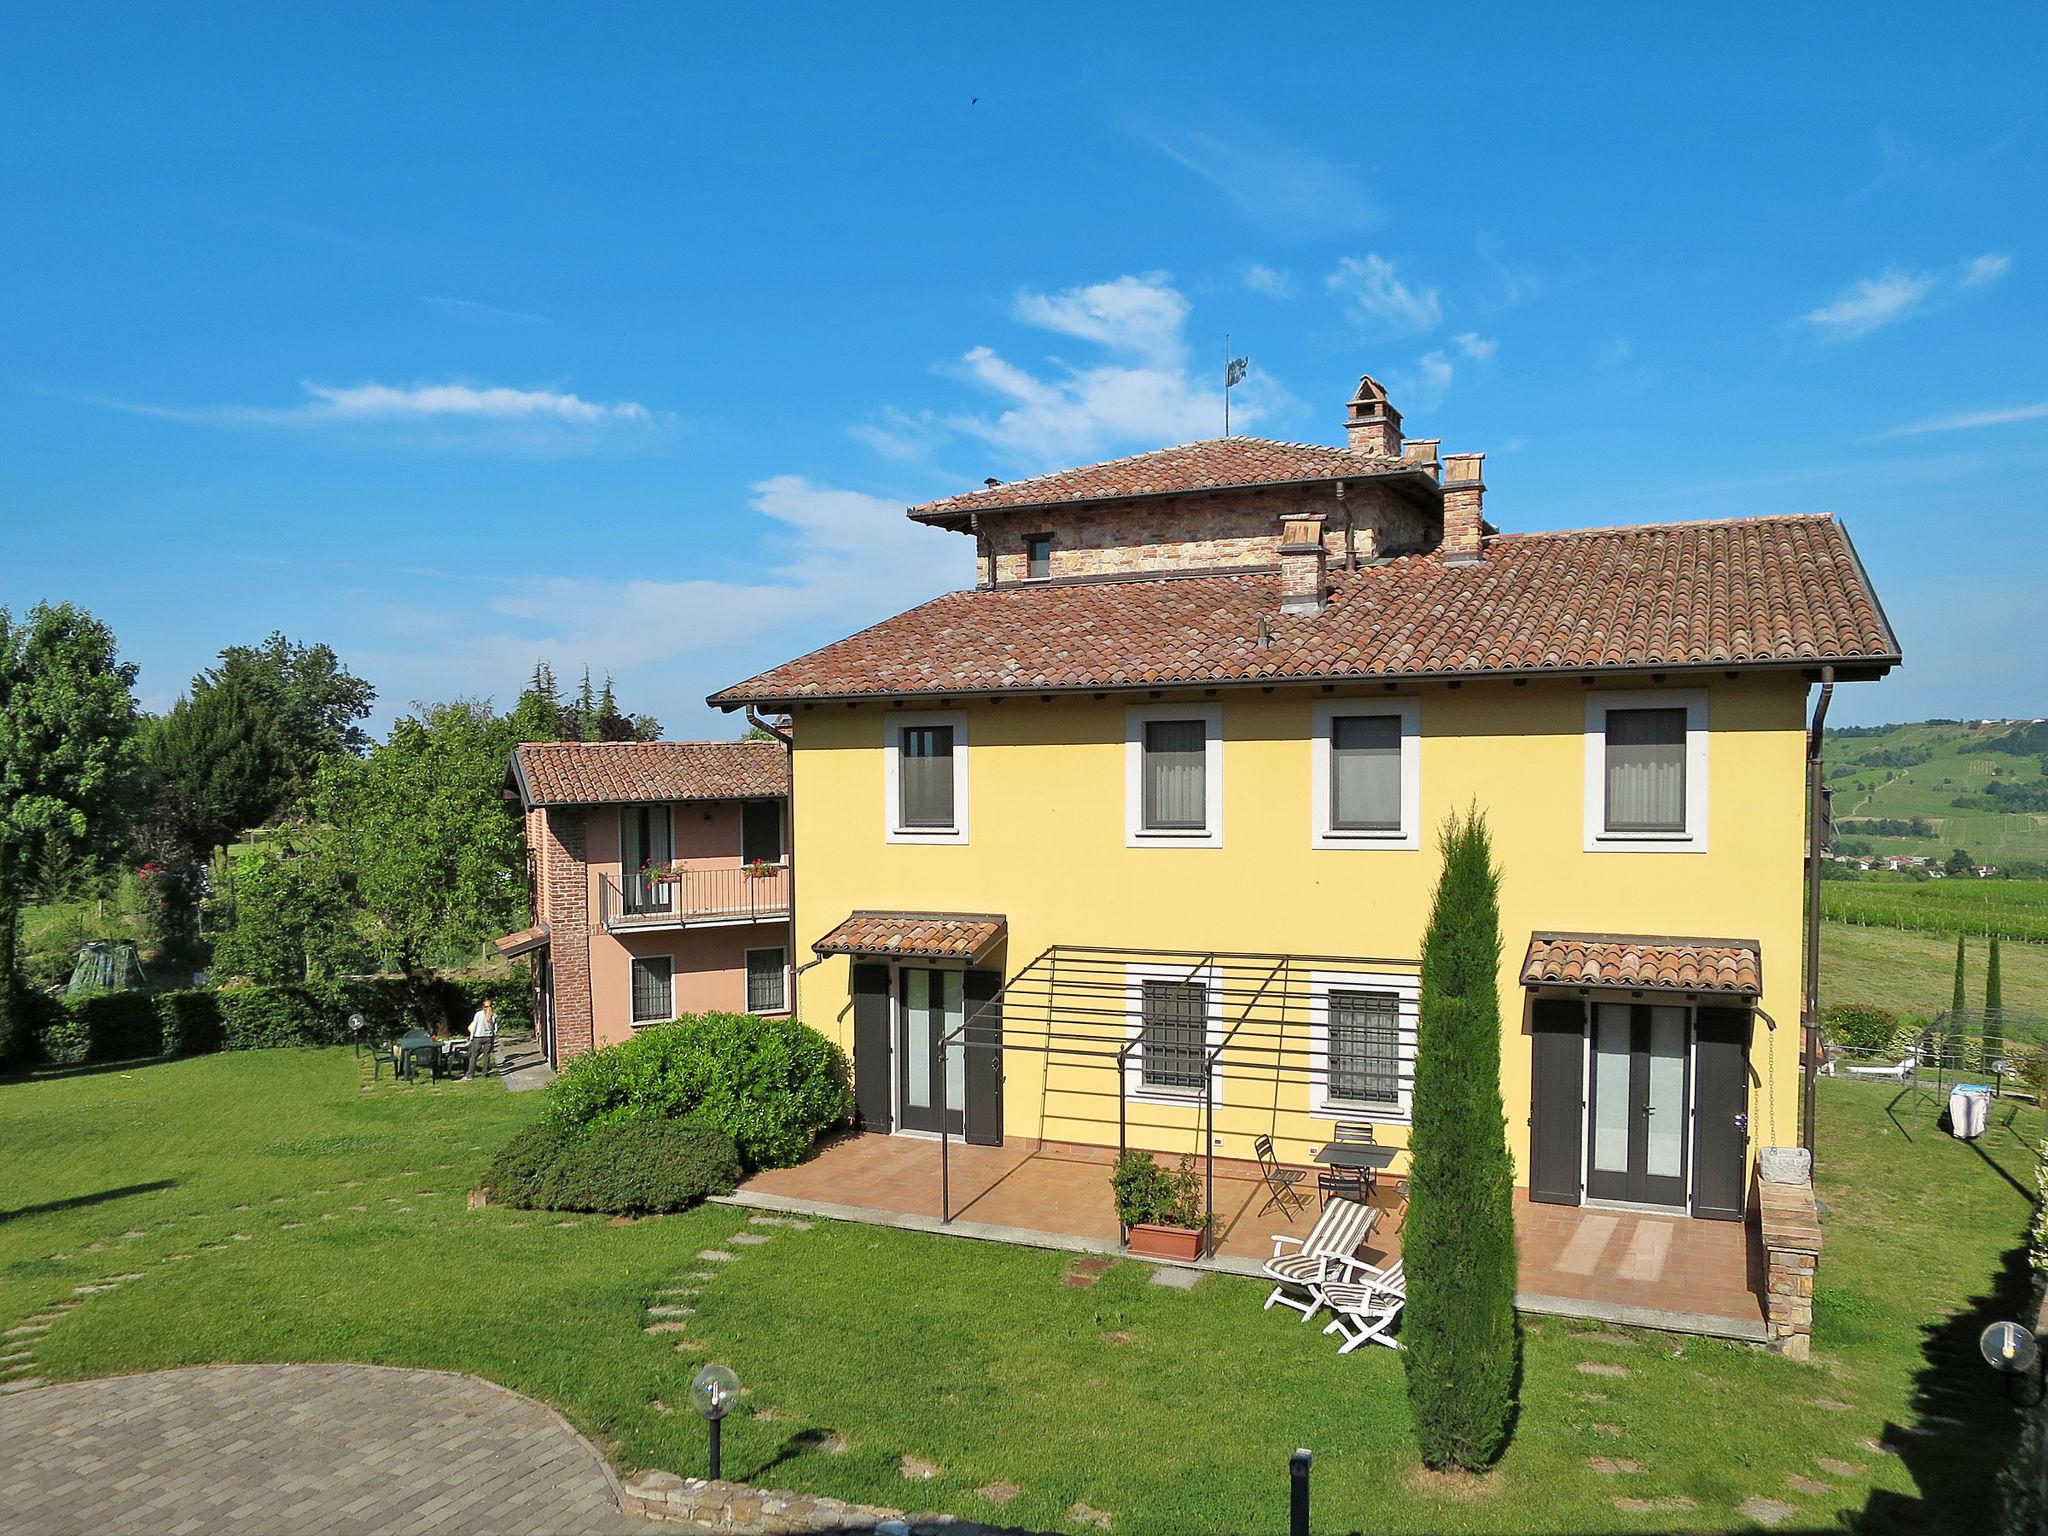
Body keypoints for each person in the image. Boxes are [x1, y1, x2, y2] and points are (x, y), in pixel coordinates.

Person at [465, 997, 497, 1079]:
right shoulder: (494, 1015)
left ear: (483, 1006)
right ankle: (485, 1074)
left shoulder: (478, 1014)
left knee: (474, 1056)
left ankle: (470, 1074)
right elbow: (495, 1029)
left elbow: (474, 1026)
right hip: (488, 1037)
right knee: (486, 1056)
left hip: (478, 1036)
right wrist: (493, 1037)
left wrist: (471, 1037)